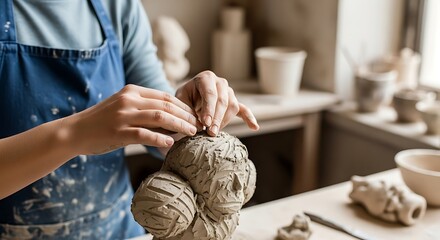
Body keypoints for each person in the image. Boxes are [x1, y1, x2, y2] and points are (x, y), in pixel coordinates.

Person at [0, 0, 259, 239]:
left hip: (118, 229)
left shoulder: (118, 5)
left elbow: (164, 135)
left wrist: (189, 117)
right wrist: (74, 134)